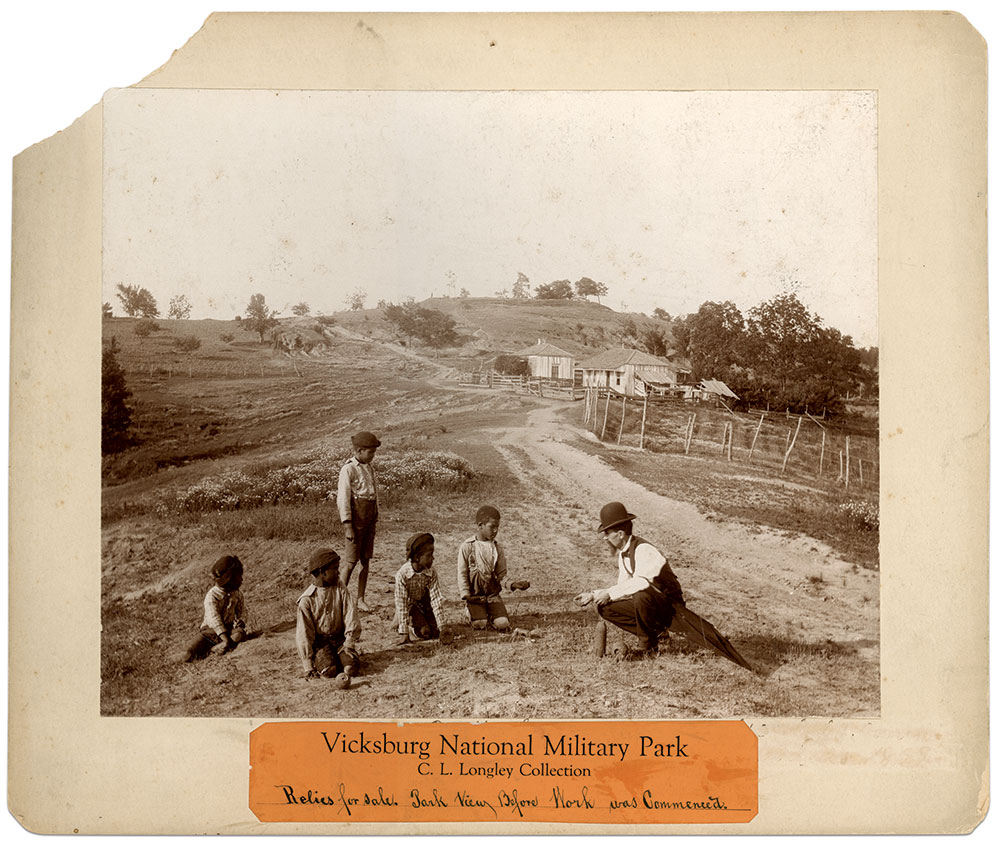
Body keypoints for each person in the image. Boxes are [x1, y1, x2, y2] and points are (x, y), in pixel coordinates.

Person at [575, 502, 684, 660]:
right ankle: (657, 633)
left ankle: (648, 647)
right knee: (604, 607)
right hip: (651, 604)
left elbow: (641, 583)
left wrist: (609, 593)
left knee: (641, 594)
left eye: (607, 533)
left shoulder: (643, 549)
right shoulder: (623, 554)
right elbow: (623, 587)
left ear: (620, 534)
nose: (605, 538)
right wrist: (594, 595)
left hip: (670, 607)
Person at [295, 547, 361, 684]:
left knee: (350, 669)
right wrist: (307, 665)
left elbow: (350, 614)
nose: (338, 572)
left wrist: (349, 641)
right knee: (329, 671)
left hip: (341, 641)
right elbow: (304, 634)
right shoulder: (306, 600)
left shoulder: (340, 588)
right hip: (321, 644)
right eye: (335, 568)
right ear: (322, 572)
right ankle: (329, 660)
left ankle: (342, 657)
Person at [337, 430, 381, 612]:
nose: (373, 456)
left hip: (369, 518)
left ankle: (360, 599)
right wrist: (348, 525)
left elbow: (373, 494)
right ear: (359, 450)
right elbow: (343, 498)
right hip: (356, 521)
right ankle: (338, 600)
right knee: (350, 562)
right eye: (370, 452)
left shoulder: (369, 468)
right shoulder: (348, 469)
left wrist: (376, 514)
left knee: (366, 560)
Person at [183, 555, 248, 662]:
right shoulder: (212, 596)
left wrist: (242, 621)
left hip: (229, 630)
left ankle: (217, 648)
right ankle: (217, 647)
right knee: (189, 653)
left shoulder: (237, 594)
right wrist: (225, 638)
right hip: (210, 632)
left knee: (239, 634)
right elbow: (214, 619)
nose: (241, 580)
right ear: (228, 579)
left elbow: (243, 611)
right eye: (238, 577)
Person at [457, 505, 511, 631]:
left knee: (503, 624)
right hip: (475, 596)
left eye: (497, 527)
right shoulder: (467, 547)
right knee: (480, 624)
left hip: (492, 595)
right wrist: (467, 595)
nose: (495, 530)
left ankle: (492, 612)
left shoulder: (497, 548)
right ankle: (471, 611)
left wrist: (512, 585)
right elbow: (462, 574)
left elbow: (501, 574)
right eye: (492, 527)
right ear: (480, 525)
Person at [393, 532, 446, 644]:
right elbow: (402, 603)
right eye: (429, 555)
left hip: (425, 604)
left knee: (435, 632)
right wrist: (404, 633)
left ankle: (425, 622)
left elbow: (436, 599)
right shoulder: (402, 575)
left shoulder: (431, 573)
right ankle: (406, 626)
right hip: (410, 606)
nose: (433, 558)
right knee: (425, 632)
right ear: (417, 557)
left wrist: (442, 627)